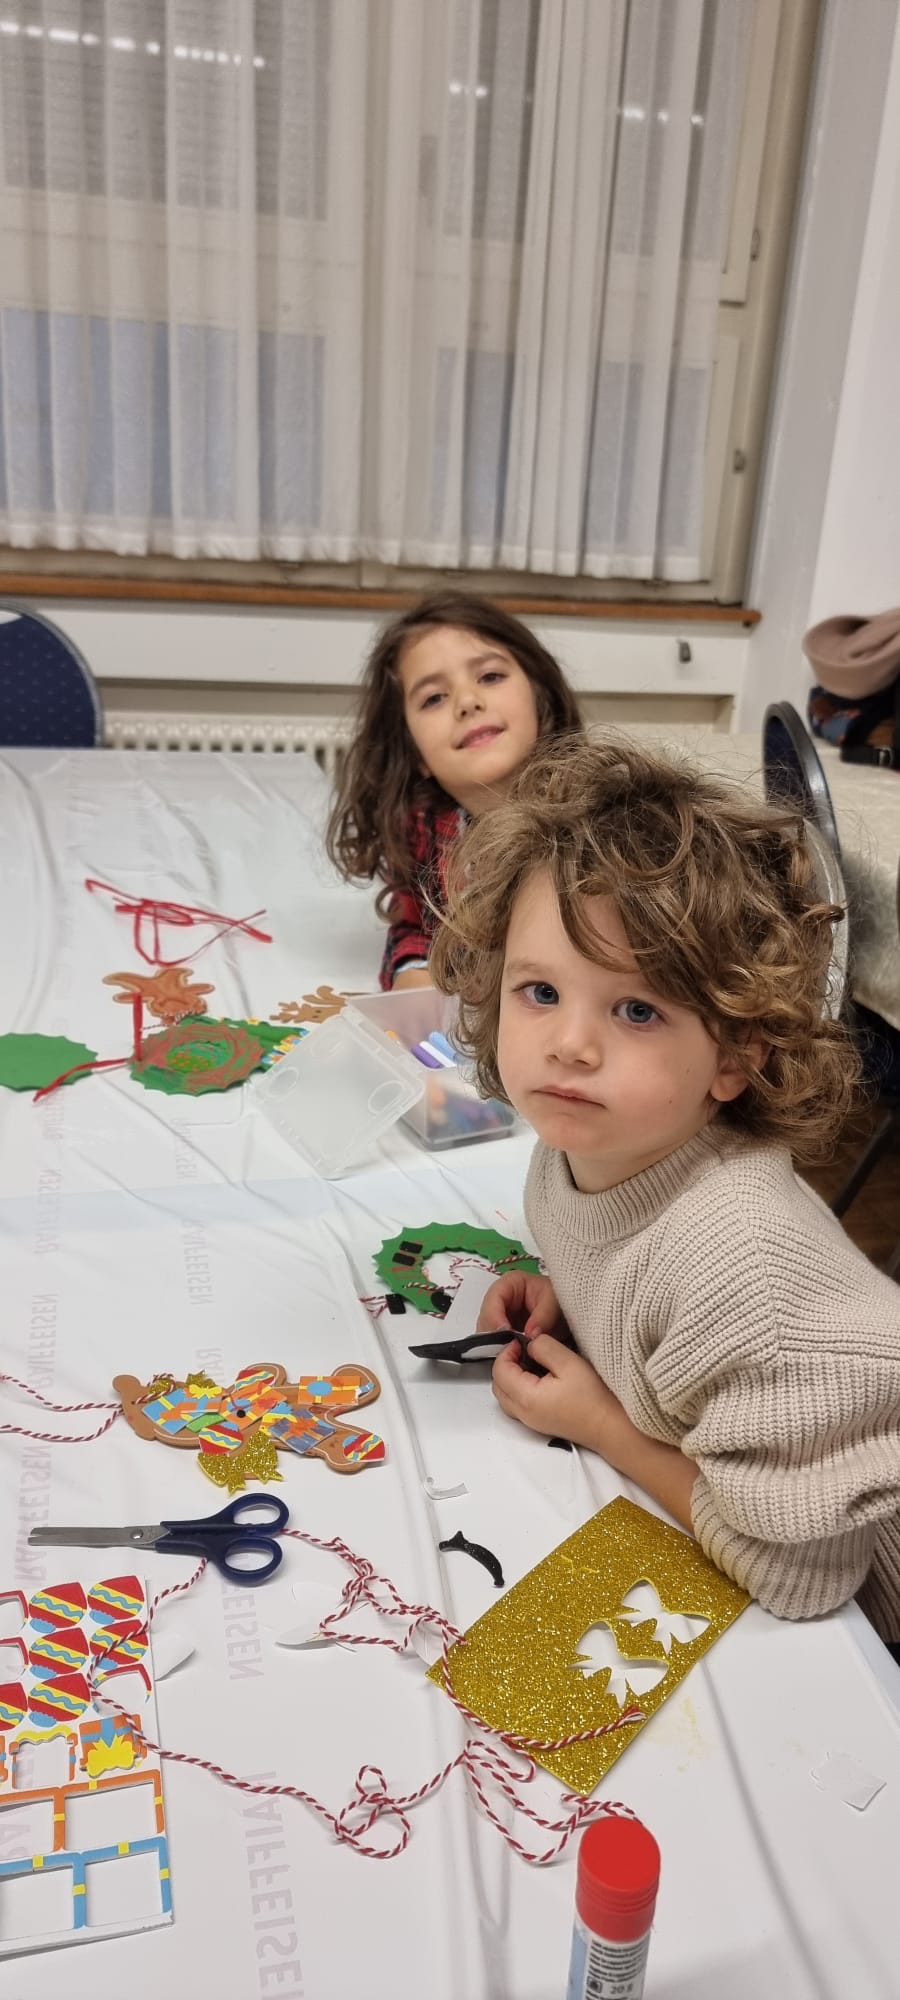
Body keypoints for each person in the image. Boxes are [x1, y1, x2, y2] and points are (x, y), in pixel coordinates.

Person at [430, 736, 900, 1643]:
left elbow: (803, 1578)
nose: (570, 1045)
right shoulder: (580, 1145)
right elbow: (629, 1263)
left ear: (736, 1055)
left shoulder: (743, 1273)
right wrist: (572, 1297)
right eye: (539, 992)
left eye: (637, 1009)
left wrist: (606, 1425)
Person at [326, 591, 582, 990]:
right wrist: (413, 971)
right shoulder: (423, 832)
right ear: (414, 753)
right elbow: (413, 928)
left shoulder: (596, 826)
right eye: (434, 698)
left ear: (541, 698)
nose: (467, 702)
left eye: (490, 677)